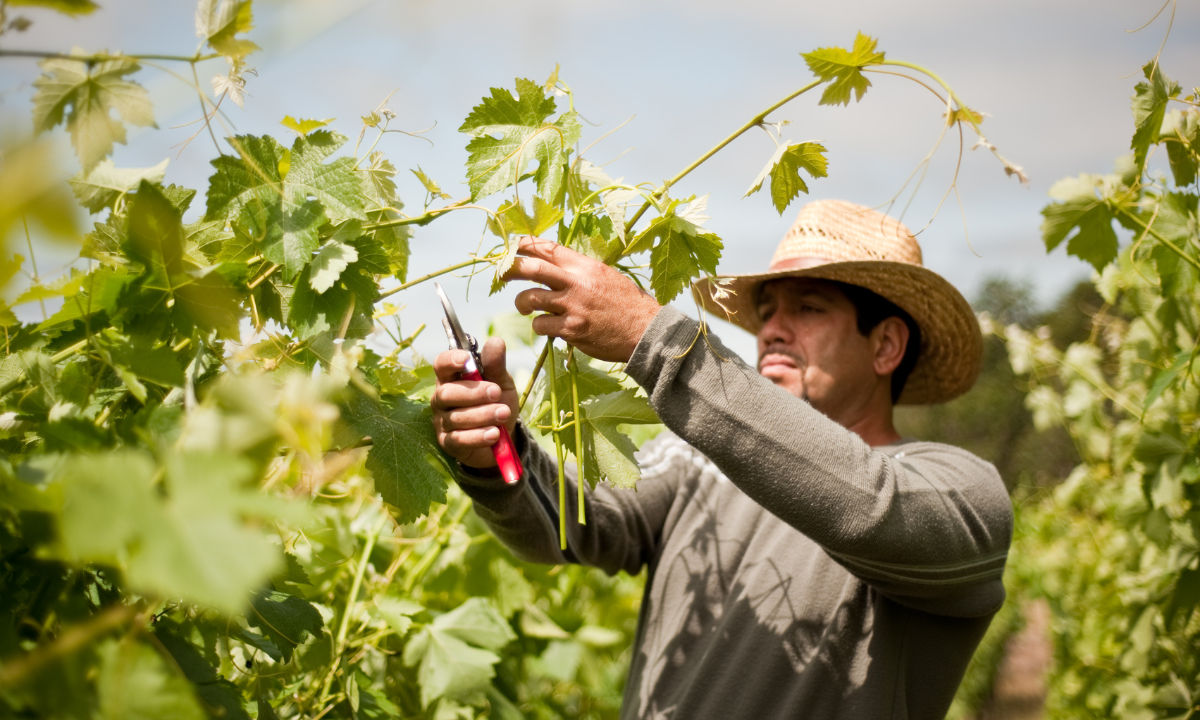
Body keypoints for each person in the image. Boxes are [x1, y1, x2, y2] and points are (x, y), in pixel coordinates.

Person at [430, 199, 1013, 720]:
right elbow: (580, 528)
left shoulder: (964, 496)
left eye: (808, 309)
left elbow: (867, 506)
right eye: (767, 313)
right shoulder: (696, 461)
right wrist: (498, 458)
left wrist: (649, 337)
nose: (772, 332)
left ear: (885, 345)